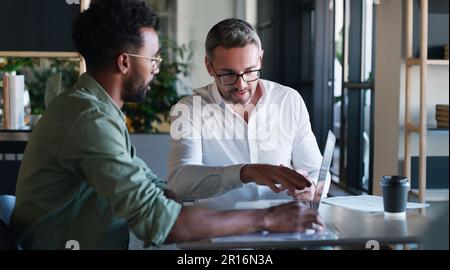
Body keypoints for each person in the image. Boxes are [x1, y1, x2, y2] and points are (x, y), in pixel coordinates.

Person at [10, 0, 324, 250]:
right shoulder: (88, 118)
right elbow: (159, 221)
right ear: (124, 62)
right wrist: (267, 218)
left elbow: (157, 190)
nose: (157, 69)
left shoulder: (98, 111)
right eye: (154, 59)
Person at [168, 18, 329, 209]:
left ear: (260, 59)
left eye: (250, 71)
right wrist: (245, 172)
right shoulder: (189, 109)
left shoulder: (289, 99)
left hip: (286, 224)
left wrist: (311, 188)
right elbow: (179, 182)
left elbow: (316, 171)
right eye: (228, 74)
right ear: (209, 67)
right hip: (221, 229)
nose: (241, 85)